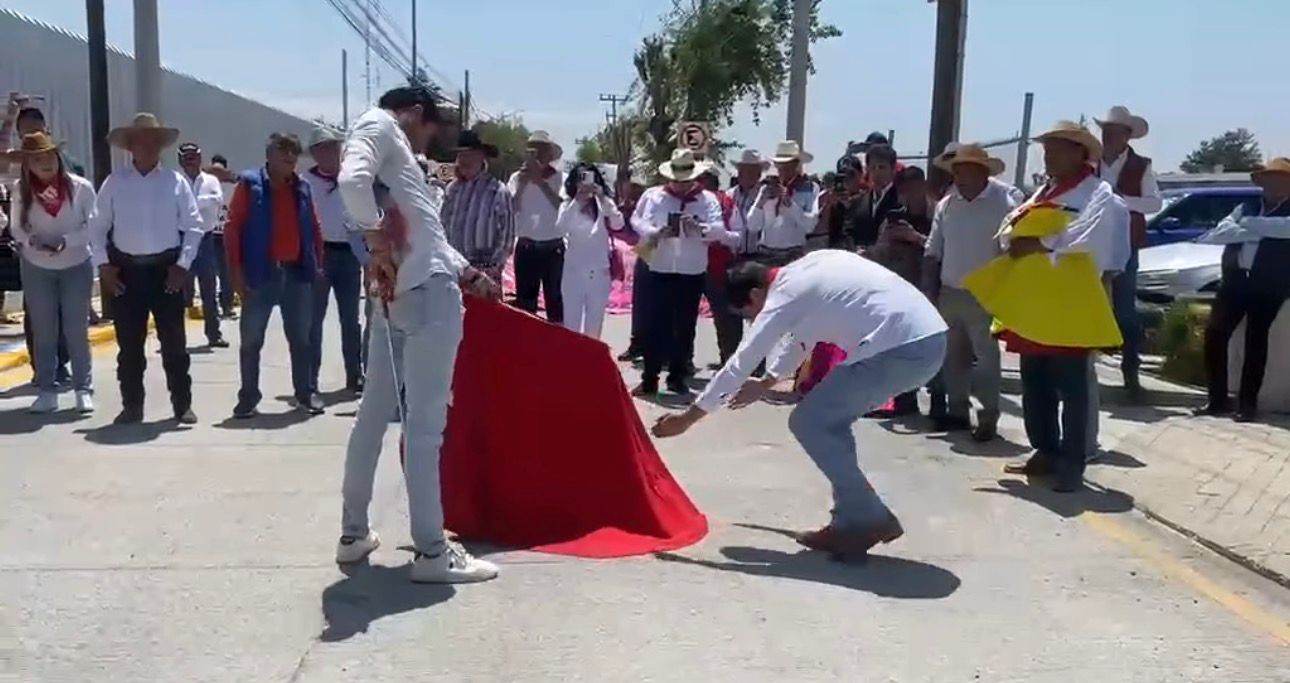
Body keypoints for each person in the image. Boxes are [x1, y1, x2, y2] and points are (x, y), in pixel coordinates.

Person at [651, 250, 947, 561]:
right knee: (826, 422)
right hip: (925, 341)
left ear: (755, 292)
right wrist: (768, 381)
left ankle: (867, 517)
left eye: (748, 312)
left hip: (899, 349)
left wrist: (689, 418)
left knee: (810, 422)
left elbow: (741, 363)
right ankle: (850, 521)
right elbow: (802, 338)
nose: (753, 319)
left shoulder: (785, 295)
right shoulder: (809, 268)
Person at [337, 84, 500, 583]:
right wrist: (372, 237)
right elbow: (351, 183)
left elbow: (427, 236)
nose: (430, 140)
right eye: (430, 127)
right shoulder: (381, 128)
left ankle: (353, 533)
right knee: (426, 429)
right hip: (425, 300)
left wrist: (469, 272)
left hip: (403, 295)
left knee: (374, 417)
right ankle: (433, 551)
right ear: (412, 113)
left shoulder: (397, 158)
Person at [986, 121, 1122, 492]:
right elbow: (1009, 228)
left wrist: (1041, 242)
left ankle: (1072, 462)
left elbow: (1090, 237)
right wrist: (1013, 240)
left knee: (1072, 387)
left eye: (1059, 148)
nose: (1050, 155)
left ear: (1081, 154)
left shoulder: (1098, 193)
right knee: (1036, 381)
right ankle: (1044, 449)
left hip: (1069, 302)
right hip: (1034, 302)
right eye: (1047, 149)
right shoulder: (1042, 191)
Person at [89, 113, 203, 425]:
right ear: (130, 147)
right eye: (141, 141)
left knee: (175, 346)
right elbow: (97, 228)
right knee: (129, 348)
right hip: (126, 273)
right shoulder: (115, 183)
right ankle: (132, 406)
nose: (147, 147)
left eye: (153, 141)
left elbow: (194, 227)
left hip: (166, 271)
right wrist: (104, 267)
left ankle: (182, 405)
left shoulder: (175, 182)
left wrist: (182, 266)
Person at [224, 133, 326, 418]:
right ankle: (248, 398)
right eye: (284, 152)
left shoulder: (302, 187)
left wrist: (317, 263)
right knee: (251, 340)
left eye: (294, 153)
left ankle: (305, 393)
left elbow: (315, 226)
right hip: (261, 273)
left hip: (296, 272)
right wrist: (235, 272)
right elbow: (233, 229)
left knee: (301, 340)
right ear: (269, 155)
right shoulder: (250, 185)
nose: (290, 158)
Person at [924, 143, 1019, 440]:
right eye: (956, 171)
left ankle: (989, 415)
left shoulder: (1006, 201)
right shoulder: (946, 205)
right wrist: (930, 292)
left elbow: (1013, 250)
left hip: (986, 292)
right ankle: (958, 412)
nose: (959, 176)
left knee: (987, 357)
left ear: (982, 172)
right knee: (954, 357)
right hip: (950, 290)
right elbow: (933, 250)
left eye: (965, 170)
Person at [4, 131, 96, 413]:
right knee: (44, 329)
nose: (44, 164)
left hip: (76, 264)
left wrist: (65, 242)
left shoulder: (80, 187)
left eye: (48, 157)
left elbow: (93, 225)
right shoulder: (21, 190)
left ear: (58, 158)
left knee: (75, 328)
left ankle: (83, 387)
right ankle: (46, 389)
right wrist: (30, 240)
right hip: (36, 265)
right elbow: (16, 225)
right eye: (37, 159)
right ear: (27, 164)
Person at [1194, 157, 1290, 422]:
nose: (1275, 185)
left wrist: (1248, 226)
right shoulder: (1246, 206)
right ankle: (1217, 400)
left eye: (1282, 180)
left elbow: (1286, 229)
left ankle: (1247, 405)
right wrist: (1259, 230)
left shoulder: (1259, 213)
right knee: (1215, 335)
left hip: (1270, 285)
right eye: (1271, 179)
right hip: (1235, 281)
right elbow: (1220, 233)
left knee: (1255, 341)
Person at [631, 149, 729, 396]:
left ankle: (678, 376)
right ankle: (650, 377)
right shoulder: (653, 196)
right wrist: (654, 231)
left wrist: (699, 227)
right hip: (660, 266)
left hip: (691, 269)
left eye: (685, 180)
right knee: (655, 324)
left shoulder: (707, 199)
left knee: (684, 326)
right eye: (676, 179)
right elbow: (637, 220)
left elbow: (718, 229)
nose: (680, 185)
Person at [1095, 106, 1161, 400]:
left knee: (1124, 311)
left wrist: (1120, 200)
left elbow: (1154, 203)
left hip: (1124, 245)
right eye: (1106, 131)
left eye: (1114, 131)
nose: (1108, 136)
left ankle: (1130, 373)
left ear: (1127, 135)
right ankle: (1081, 373)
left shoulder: (1141, 165)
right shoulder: (1089, 162)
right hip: (1089, 245)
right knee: (1086, 307)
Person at [3, 101, 72, 380]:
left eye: (36, 131)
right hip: (29, 249)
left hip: (66, 248)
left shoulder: (68, 166)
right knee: (36, 311)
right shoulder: (14, 171)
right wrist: (8, 116)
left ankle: (62, 361)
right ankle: (42, 368)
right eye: (24, 133)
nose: (30, 138)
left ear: (47, 130)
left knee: (63, 309)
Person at [303, 125, 368, 396]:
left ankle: (354, 375)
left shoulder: (351, 179)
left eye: (333, 147)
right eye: (323, 149)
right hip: (319, 254)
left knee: (350, 319)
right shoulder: (305, 182)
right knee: (313, 319)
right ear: (315, 153)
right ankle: (310, 380)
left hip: (349, 254)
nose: (329, 153)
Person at [555, 162, 621, 338]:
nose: (585, 184)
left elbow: (618, 223)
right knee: (571, 326)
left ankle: (590, 364)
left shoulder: (604, 204)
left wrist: (602, 198)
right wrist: (578, 200)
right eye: (581, 179)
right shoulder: (568, 205)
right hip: (573, 273)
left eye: (590, 179)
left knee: (594, 327)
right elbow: (560, 228)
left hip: (599, 274)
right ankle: (570, 364)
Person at [441, 130, 515, 284]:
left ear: (482, 156)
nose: (463, 160)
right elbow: (442, 228)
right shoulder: (452, 190)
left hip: (484, 276)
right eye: (460, 155)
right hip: (453, 270)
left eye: (469, 154)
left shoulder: (497, 191)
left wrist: (490, 271)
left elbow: (506, 239)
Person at [509, 131, 565, 322]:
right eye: (533, 152)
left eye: (541, 151)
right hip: (526, 246)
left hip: (553, 248)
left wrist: (541, 183)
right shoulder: (517, 178)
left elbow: (562, 206)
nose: (537, 156)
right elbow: (511, 208)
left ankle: (557, 346)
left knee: (556, 301)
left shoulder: (559, 178)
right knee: (525, 305)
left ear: (549, 155)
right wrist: (524, 184)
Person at [176, 142, 227, 348]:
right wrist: (199, 203)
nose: (191, 161)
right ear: (180, 160)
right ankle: (176, 338)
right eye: (186, 157)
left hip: (205, 239)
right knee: (178, 292)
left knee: (209, 289)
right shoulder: (176, 182)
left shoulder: (211, 180)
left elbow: (218, 200)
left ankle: (214, 334)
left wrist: (193, 202)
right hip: (181, 239)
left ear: (200, 158)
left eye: (194, 156)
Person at [697, 168, 746, 365]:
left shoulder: (727, 203)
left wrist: (719, 235)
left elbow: (737, 237)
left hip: (718, 267)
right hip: (689, 268)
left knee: (726, 318)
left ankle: (729, 359)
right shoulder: (690, 202)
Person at [746, 141, 819, 266]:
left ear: (796, 164)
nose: (782, 169)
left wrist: (789, 204)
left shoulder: (809, 188)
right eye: (779, 164)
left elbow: (810, 225)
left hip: (793, 254)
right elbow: (752, 226)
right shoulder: (767, 188)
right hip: (766, 253)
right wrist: (760, 203)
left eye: (787, 164)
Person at [842, 143, 902, 249]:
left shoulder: (902, 202)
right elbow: (848, 233)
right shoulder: (858, 203)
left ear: (893, 170)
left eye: (882, 167)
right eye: (873, 167)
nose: (877, 172)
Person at [726, 150, 769, 258]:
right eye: (742, 170)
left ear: (758, 174)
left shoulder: (765, 196)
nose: (744, 174)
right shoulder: (729, 195)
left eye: (751, 171)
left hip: (758, 255)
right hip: (734, 255)